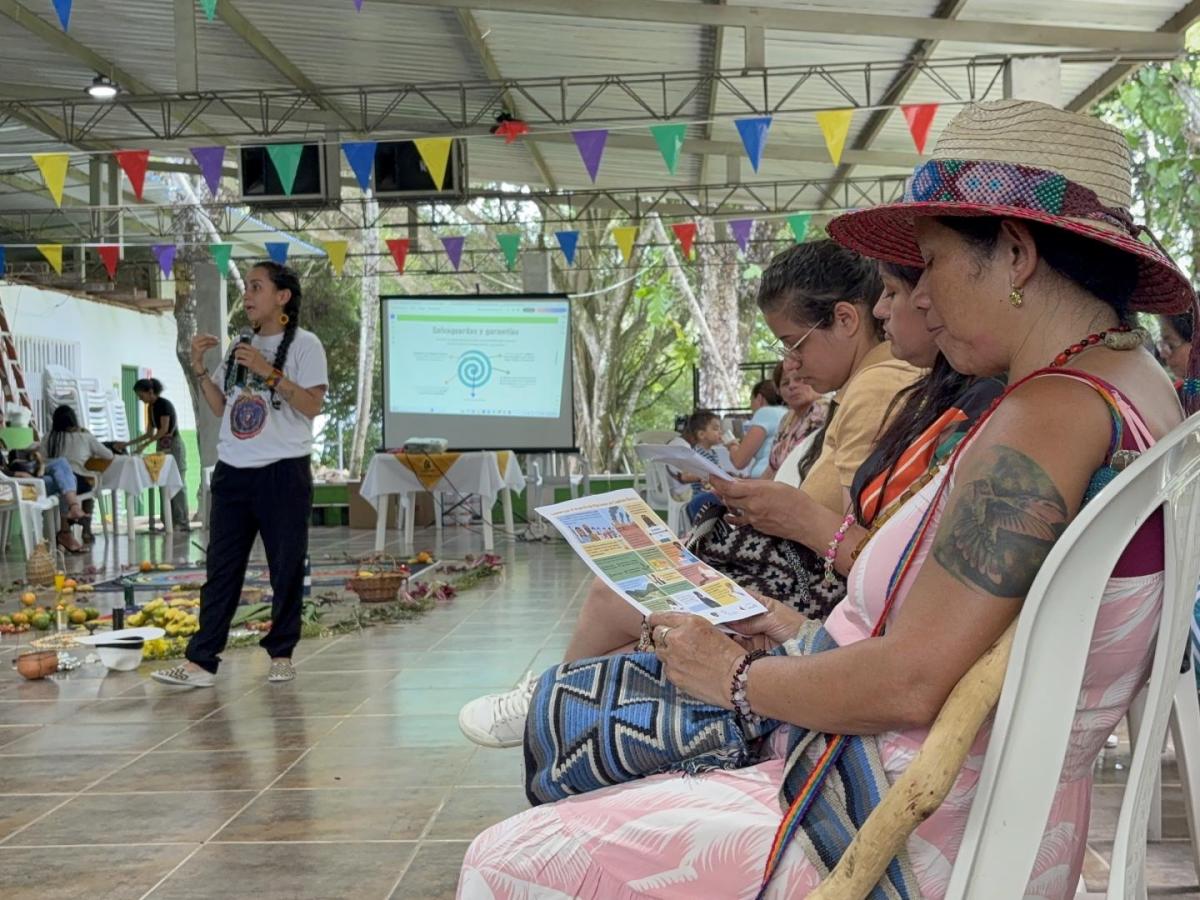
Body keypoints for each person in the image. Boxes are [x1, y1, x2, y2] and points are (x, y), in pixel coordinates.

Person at [459, 99, 1195, 898]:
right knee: (595, 732)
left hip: (884, 828)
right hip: (993, 809)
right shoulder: (1132, 383)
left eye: (933, 262)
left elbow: (912, 680)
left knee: (508, 859)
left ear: (1014, 253)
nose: (915, 300)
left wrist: (736, 679)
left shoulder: (1046, 416)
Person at [458, 240, 923, 748]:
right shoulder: (865, 388)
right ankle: (556, 698)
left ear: (845, 320)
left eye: (795, 343)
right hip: (806, 576)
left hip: (813, 594)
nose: (790, 364)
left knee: (616, 593)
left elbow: (876, 539)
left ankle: (551, 701)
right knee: (631, 608)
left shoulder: (877, 388)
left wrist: (784, 512)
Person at [152, 261, 327, 689]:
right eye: (246, 287)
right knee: (222, 569)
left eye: (256, 287)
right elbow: (218, 407)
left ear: (282, 297)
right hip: (233, 474)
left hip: (283, 473)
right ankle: (201, 661)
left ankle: (282, 653)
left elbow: (311, 406)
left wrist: (269, 372)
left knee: (285, 566)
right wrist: (197, 366)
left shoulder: (305, 345)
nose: (246, 295)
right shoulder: (237, 346)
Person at [36, 405, 113, 550]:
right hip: (79, 481)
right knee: (86, 485)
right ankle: (85, 530)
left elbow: (42, 461)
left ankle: (65, 531)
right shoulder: (85, 437)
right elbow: (108, 455)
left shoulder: (48, 438)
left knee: (60, 483)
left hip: (51, 481)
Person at [119, 378, 189, 532]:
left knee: (177, 482)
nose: (140, 398)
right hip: (162, 447)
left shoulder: (164, 405)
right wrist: (128, 444)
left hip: (174, 445)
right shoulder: (150, 408)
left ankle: (182, 522)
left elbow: (163, 430)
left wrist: (144, 445)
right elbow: (149, 433)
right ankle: (168, 522)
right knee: (163, 482)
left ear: (150, 392)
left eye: (141, 395)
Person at [761, 358, 827, 481]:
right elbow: (772, 468)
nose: (792, 386)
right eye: (785, 383)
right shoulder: (787, 419)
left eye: (799, 379)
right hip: (778, 489)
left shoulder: (821, 411)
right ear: (778, 391)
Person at [724, 379, 786, 477]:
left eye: (751, 400)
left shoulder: (764, 413)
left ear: (759, 398)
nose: (751, 406)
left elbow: (739, 461)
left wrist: (732, 445)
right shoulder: (787, 413)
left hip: (763, 479)